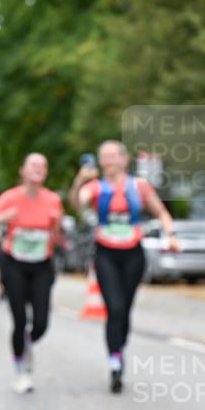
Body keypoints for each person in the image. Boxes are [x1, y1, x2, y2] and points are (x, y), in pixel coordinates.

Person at [69, 140, 178, 393]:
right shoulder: (95, 187)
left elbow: (161, 212)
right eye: (104, 157)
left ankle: (120, 345)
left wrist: (170, 234)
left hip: (133, 254)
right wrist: (78, 181)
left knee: (125, 310)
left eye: (112, 156)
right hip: (106, 253)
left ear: (124, 159)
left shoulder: (139, 186)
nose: (108, 161)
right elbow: (77, 203)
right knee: (114, 308)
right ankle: (115, 363)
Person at [0, 153, 63, 394]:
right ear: (22, 170)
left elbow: (57, 238)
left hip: (42, 265)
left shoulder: (53, 200)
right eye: (33, 165)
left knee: (42, 322)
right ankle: (21, 370)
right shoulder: (9, 198)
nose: (39, 168)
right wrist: (2, 219)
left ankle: (26, 345)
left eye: (43, 165)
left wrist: (56, 228)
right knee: (20, 320)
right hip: (14, 264)